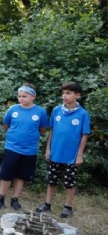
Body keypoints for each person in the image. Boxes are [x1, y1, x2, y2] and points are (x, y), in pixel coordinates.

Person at [35, 81, 90, 218]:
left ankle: (67, 207)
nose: (64, 96)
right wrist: (48, 149)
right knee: (52, 180)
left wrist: (79, 155)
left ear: (77, 95)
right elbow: (52, 131)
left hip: (71, 155)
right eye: (63, 93)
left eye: (68, 93)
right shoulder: (56, 110)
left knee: (69, 182)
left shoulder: (83, 114)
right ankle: (47, 204)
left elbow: (84, 136)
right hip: (56, 153)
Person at [0, 83, 49, 210]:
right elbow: (6, 125)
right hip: (12, 147)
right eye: (19, 96)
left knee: (21, 175)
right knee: (6, 174)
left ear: (33, 96)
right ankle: (1, 197)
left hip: (29, 150)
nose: (21, 98)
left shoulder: (40, 112)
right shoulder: (13, 109)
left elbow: (42, 129)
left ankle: (15, 199)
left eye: (24, 96)